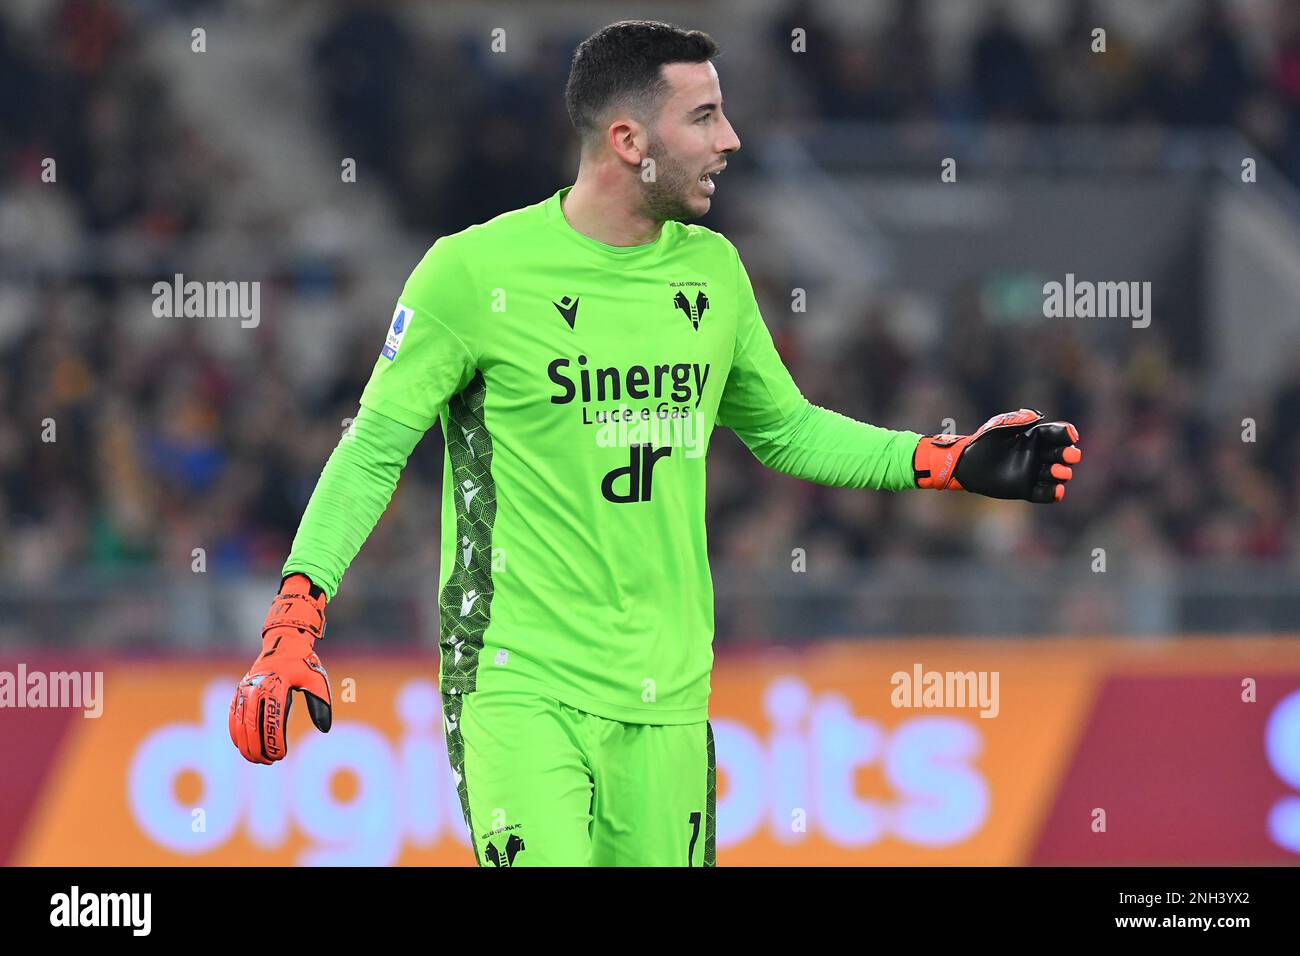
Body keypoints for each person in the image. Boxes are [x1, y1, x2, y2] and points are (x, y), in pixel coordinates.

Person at [228, 20, 1082, 867]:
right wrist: (295, 617)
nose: (731, 140)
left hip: (670, 695)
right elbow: (373, 447)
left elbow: (784, 430)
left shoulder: (713, 273)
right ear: (629, 139)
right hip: (518, 678)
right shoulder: (470, 275)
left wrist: (944, 460)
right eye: (704, 117)